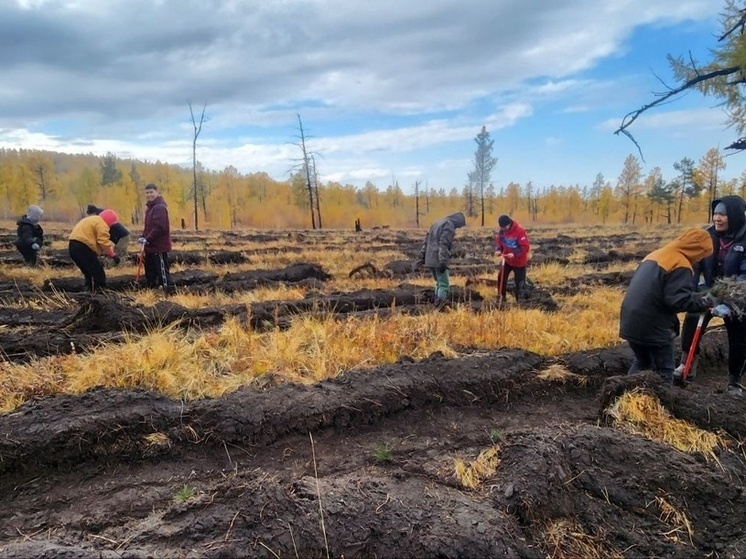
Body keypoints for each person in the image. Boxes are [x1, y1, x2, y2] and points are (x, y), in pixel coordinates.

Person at [619, 228, 714, 384]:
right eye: (702, 256)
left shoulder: (656, 255)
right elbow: (678, 301)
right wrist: (705, 303)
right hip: (653, 325)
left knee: (642, 361)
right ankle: (662, 403)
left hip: (630, 319)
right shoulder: (680, 264)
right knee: (665, 370)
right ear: (697, 250)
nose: (699, 260)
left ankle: (625, 396)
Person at [676, 196, 746, 396]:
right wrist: (691, 292)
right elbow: (695, 266)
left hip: (738, 293)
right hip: (709, 288)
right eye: (715, 213)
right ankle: (686, 365)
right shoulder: (708, 235)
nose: (717, 218)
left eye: (722, 214)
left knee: (739, 333)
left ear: (734, 216)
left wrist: (728, 299)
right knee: (691, 318)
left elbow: (744, 276)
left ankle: (734, 381)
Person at [415, 212, 466, 305]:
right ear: (457, 222)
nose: (457, 228)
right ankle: (440, 306)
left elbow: (426, 241)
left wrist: (422, 258)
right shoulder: (449, 225)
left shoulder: (437, 222)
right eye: (459, 226)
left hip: (429, 258)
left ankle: (436, 302)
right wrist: (443, 261)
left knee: (438, 283)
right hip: (438, 259)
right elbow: (444, 244)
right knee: (444, 285)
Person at [68, 209, 120, 292]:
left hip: (72, 246)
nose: (110, 226)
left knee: (87, 271)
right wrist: (113, 255)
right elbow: (103, 241)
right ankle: (100, 290)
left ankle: (88, 289)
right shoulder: (102, 223)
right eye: (111, 224)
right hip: (83, 247)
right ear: (109, 221)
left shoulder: (91, 219)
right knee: (98, 271)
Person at [140, 183, 173, 290]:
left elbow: (160, 227)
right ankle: (152, 290)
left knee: (161, 271)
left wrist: (147, 239)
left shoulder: (159, 207)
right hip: (150, 246)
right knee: (150, 270)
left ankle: (168, 290)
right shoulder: (150, 208)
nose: (149, 195)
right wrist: (143, 236)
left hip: (158, 246)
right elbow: (149, 226)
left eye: (151, 192)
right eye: (147, 193)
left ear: (157, 192)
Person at [494, 215, 531, 301]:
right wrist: (499, 250)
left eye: (504, 227)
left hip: (519, 261)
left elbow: (525, 247)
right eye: (501, 227)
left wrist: (514, 253)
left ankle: (520, 301)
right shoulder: (502, 231)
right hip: (507, 260)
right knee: (501, 278)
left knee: (520, 283)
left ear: (509, 224)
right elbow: (499, 241)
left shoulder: (519, 231)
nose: (502, 229)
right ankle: (501, 298)